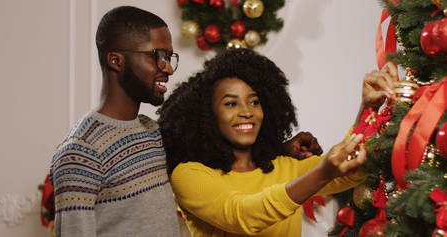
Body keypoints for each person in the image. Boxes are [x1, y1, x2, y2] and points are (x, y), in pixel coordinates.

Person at [158, 49, 397, 237]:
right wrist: (323, 171)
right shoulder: (189, 174)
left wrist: (368, 109)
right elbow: (242, 215)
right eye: (231, 104)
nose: (246, 112)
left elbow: (351, 171)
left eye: (254, 102)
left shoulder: (282, 166)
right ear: (207, 114)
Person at [50, 6, 181, 236]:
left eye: (169, 57)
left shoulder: (151, 131)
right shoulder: (81, 152)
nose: (168, 68)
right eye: (158, 56)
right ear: (116, 61)